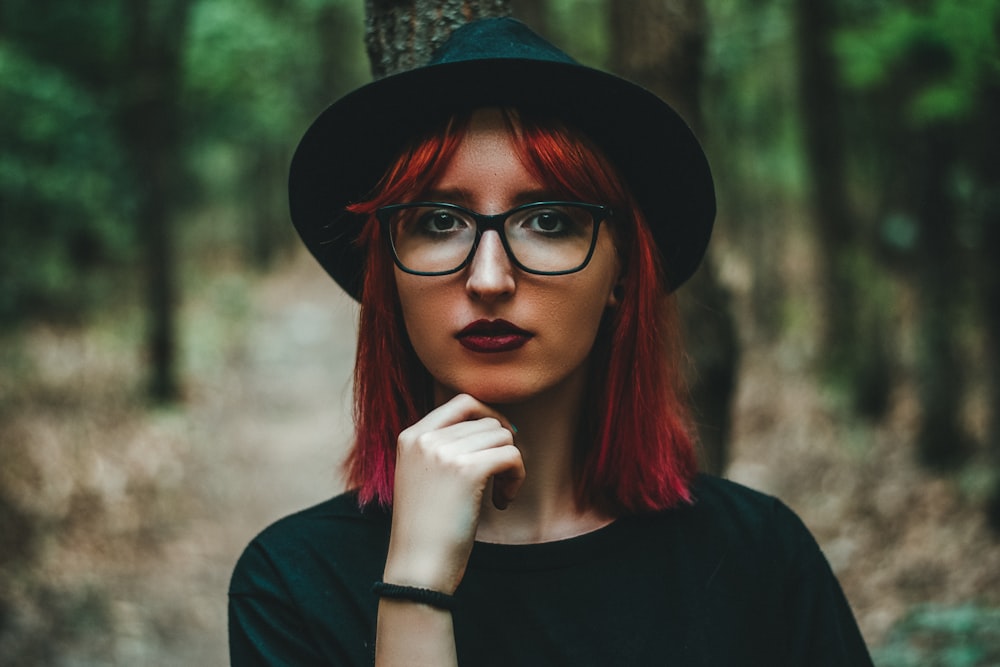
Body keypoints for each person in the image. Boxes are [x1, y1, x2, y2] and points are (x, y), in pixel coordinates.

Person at [228, 17, 873, 666]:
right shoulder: (290, 585)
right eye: (439, 221)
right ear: (388, 272)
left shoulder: (758, 562)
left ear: (621, 272)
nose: (488, 277)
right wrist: (415, 585)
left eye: (548, 220)